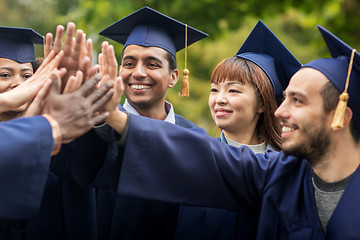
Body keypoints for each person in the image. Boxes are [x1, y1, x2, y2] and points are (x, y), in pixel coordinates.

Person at [73, 25, 360, 239]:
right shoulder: (278, 173)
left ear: (341, 115)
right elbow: (200, 155)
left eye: (297, 100)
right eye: (284, 99)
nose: (280, 111)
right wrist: (113, 116)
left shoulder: (283, 173)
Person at [85, 6, 208, 239]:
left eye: (152, 64)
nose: (138, 73)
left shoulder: (194, 138)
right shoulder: (97, 130)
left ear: (174, 77)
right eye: (129, 64)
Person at [174, 20, 301, 240]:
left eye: (233, 90)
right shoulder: (195, 157)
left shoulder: (287, 168)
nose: (219, 99)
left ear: (262, 104)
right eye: (214, 90)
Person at [0, 24, 117, 239]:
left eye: (27, 76)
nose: (17, 84)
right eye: (5, 75)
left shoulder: (57, 132)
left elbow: (85, 171)